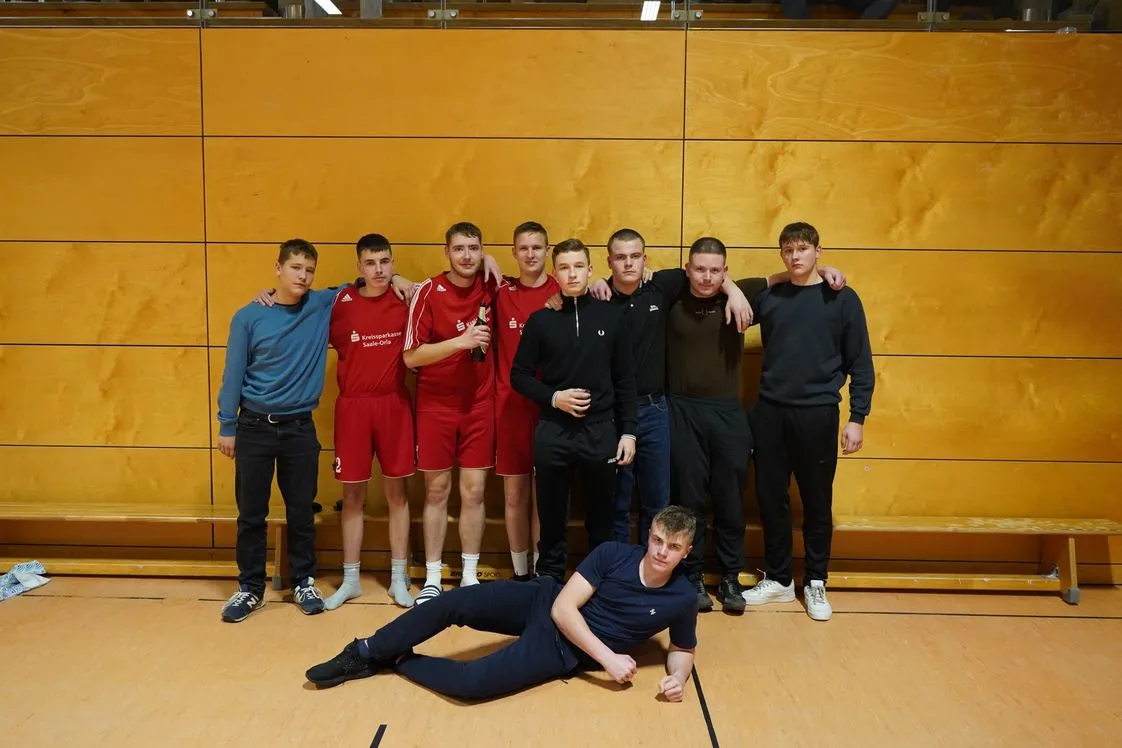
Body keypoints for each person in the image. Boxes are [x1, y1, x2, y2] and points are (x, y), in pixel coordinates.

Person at [304, 506, 700, 703]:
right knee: (453, 603)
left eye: (673, 547)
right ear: (649, 535)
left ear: (687, 551)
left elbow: (682, 648)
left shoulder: (682, 598)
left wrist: (678, 679)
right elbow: (563, 609)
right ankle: (364, 651)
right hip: (545, 602)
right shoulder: (613, 554)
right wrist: (609, 659)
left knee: (470, 685)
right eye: (657, 540)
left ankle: (394, 659)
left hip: (563, 649)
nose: (661, 552)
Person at [741, 222, 874, 622]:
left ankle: (815, 580)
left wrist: (857, 418)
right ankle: (780, 579)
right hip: (770, 411)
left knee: (817, 500)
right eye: (788, 250)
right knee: (770, 497)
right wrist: (776, 277)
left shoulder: (842, 298)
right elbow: (730, 296)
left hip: (817, 412)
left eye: (802, 249)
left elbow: (861, 363)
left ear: (818, 250)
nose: (795, 256)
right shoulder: (771, 297)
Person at [590, 228, 753, 548]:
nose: (628, 263)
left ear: (645, 259)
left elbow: (706, 274)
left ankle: (652, 569)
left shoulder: (661, 286)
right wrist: (593, 283)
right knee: (616, 501)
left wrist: (733, 289)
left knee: (657, 501)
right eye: (620, 257)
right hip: (613, 413)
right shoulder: (598, 299)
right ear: (609, 261)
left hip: (655, 409)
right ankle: (619, 568)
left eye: (635, 256)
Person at [215, 239, 336, 622]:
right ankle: (250, 588)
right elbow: (233, 374)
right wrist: (227, 425)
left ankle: (303, 581)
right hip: (254, 426)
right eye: (296, 267)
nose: (303, 276)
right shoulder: (249, 317)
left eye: (310, 270)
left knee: (301, 511)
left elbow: (365, 284)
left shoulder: (321, 305)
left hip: (300, 428)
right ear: (278, 269)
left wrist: (398, 279)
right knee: (252, 513)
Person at [510, 238, 638, 583]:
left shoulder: (612, 316)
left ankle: (598, 583)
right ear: (555, 273)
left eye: (579, 266)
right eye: (564, 268)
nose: (572, 274)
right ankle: (548, 582)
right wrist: (554, 398)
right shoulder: (541, 320)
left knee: (601, 516)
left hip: (601, 430)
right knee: (551, 515)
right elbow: (519, 376)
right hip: (553, 429)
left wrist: (628, 431)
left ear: (590, 269)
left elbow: (625, 380)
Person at [403, 222, 498, 603]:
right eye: (459, 248)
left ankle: (470, 576)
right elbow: (411, 356)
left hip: (479, 404)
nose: (467, 255)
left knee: (474, 491)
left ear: (482, 250)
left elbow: (535, 282)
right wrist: (461, 341)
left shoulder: (492, 285)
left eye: (474, 248)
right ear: (447, 252)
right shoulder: (428, 291)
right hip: (435, 406)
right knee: (437, 490)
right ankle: (432, 577)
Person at [322, 234, 416, 610]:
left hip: (393, 404)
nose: (379, 270)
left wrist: (401, 280)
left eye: (385, 262)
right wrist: (265, 293)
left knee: (398, 494)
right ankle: (350, 580)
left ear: (393, 263)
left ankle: (398, 578)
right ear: (359, 267)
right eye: (371, 263)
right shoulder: (340, 301)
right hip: (354, 407)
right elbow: (297, 297)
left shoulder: (406, 298)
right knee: (352, 497)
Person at [493, 222, 561, 580]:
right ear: (514, 252)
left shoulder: (563, 290)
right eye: (524, 248)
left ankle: (542, 571)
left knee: (546, 497)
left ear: (548, 251)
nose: (531, 254)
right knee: (514, 496)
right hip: (511, 407)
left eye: (537, 248)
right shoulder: (500, 293)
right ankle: (520, 574)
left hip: (552, 408)